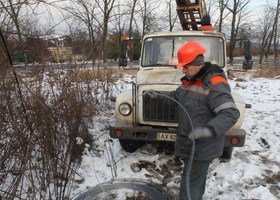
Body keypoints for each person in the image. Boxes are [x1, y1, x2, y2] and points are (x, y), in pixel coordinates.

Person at [147, 41, 240, 200]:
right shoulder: (190, 80)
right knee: (196, 181)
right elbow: (177, 98)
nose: (183, 70)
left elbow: (230, 113)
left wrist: (208, 130)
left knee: (189, 188)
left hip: (203, 147)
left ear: (198, 65)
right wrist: (158, 95)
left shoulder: (214, 84)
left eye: (186, 66)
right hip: (189, 145)